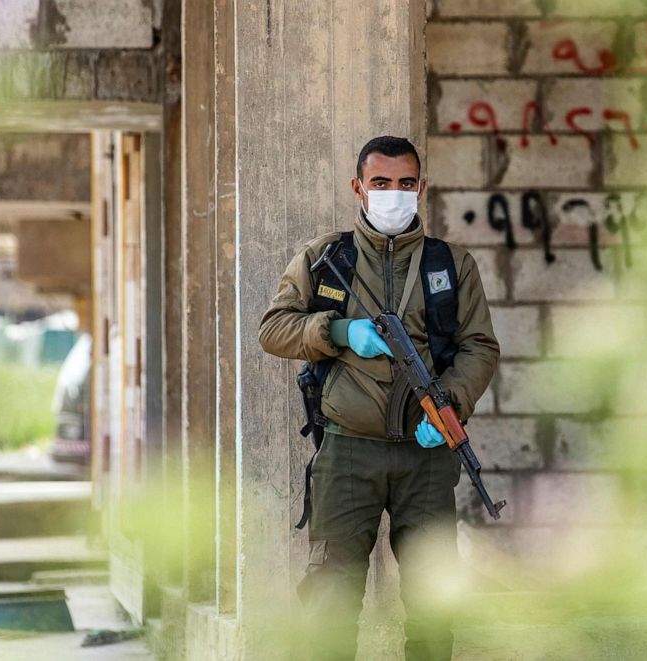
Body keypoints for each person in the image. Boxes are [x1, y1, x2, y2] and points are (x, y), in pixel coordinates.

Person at [259, 135, 500, 660]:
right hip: (348, 453)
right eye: (382, 183)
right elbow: (273, 329)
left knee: (433, 601)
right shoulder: (325, 258)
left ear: (421, 187)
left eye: (406, 184)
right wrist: (340, 333)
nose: (395, 194)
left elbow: (479, 347)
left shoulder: (451, 265)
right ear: (359, 188)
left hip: (428, 455)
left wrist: (451, 405)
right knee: (331, 598)